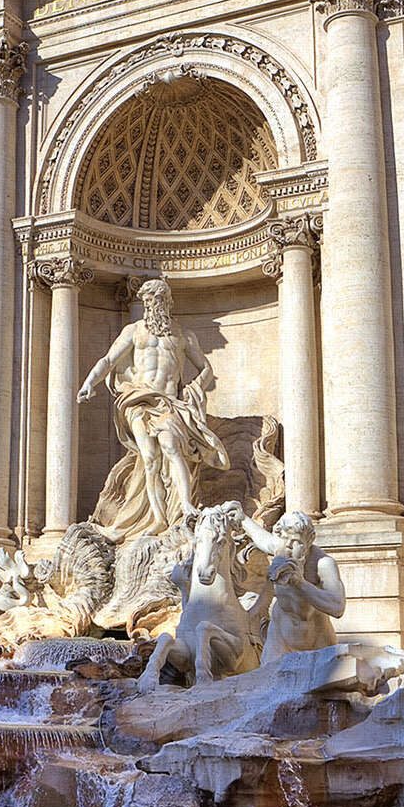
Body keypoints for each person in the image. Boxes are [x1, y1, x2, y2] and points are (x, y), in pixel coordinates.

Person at [78, 276, 229, 540]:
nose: (152, 305)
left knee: (171, 447)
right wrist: (90, 383)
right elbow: (109, 360)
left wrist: (194, 388)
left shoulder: (183, 335)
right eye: (148, 300)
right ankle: (158, 518)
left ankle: (185, 507)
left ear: (167, 302)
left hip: (168, 402)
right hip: (137, 399)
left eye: (157, 299)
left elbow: (206, 368)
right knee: (149, 457)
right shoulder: (134, 331)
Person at [235, 506, 346, 666]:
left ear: (308, 542)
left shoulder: (322, 564)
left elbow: (337, 607)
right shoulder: (279, 547)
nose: (289, 547)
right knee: (268, 682)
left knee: (325, 687)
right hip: (280, 635)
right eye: (284, 539)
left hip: (316, 638)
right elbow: (259, 535)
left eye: (297, 543)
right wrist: (242, 517)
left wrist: (300, 583)